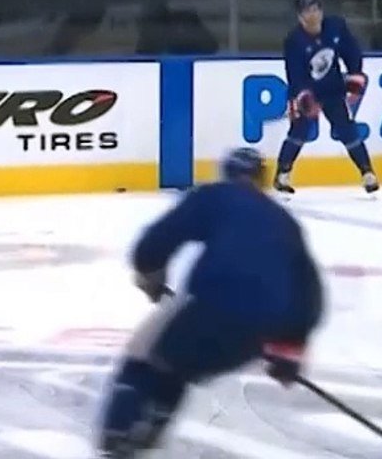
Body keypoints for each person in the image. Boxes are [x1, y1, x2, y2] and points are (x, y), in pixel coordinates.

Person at [95, 147, 326, 458]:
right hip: (265, 328)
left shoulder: (215, 196)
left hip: (214, 303)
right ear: (262, 178)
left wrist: (151, 276)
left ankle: (118, 437)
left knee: (144, 356)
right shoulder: (285, 222)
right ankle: (149, 430)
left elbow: (157, 240)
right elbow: (309, 292)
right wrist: (290, 346)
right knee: (179, 365)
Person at [275, 0, 378, 193]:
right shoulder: (294, 41)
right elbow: (295, 74)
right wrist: (303, 96)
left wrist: (355, 73)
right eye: (307, 11)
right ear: (300, 16)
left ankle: (367, 172)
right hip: (307, 91)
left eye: (315, 9)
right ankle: (282, 174)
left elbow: (351, 50)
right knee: (300, 131)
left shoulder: (335, 27)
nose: (313, 15)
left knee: (347, 129)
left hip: (333, 89)